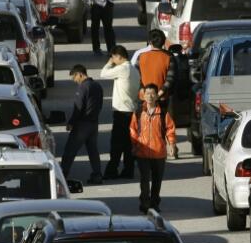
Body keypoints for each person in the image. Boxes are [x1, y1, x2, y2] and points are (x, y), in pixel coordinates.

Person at [130, 84, 177, 212]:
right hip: (142, 153)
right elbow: (133, 129)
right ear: (143, 96)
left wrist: (171, 144)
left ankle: (154, 203)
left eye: (152, 94)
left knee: (157, 181)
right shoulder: (139, 112)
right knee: (144, 180)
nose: (150, 96)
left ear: (157, 96)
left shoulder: (163, 113)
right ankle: (145, 203)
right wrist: (135, 145)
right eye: (147, 93)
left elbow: (170, 129)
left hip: (159, 153)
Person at [100, 45, 139, 179]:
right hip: (131, 110)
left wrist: (109, 63)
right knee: (128, 144)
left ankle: (112, 170)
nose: (112, 59)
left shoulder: (122, 69)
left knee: (116, 143)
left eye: (113, 57)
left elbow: (103, 73)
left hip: (121, 112)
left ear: (119, 56)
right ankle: (128, 170)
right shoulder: (134, 69)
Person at [61, 65, 104, 184]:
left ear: (80, 74)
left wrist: (71, 123)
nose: (75, 81)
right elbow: (100, 104)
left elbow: (78, 108)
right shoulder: (97, 86)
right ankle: (97, 175)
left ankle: (62, 176)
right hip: (94, 123)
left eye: (74, 77)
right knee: (93, 151)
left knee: (69, 151)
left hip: (82, 124)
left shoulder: (83, 87)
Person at [136, 30, 176, 105]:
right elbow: (170, 79)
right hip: (162, 98)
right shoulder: (169, 57)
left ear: (150, 42)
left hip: (144, 98)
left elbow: (136, 76)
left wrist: (142, 90)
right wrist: (158, 95)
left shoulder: (141, 57)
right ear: (163, 42)